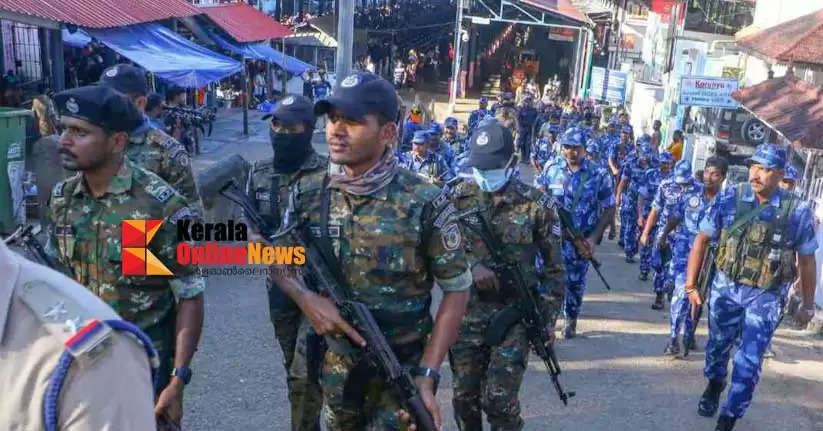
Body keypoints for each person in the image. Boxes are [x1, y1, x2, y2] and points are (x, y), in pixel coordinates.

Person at [271, 72, 472, 430]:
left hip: (400, 376)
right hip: (337, 375)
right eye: (333, 118)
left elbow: (456, 287)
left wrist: (428, 375)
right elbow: (276, 259)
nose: (336, 130)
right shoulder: (309, 192)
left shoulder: (424, 201)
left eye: (352, 121)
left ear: (388, 133)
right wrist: (305, 299)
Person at [43, 85, 205, 427]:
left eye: (79, 132)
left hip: (144, 371)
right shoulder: (63, 199)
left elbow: (190, 294)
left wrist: (178, 379)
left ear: (117, 142)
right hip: (78, 364)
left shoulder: (158, 205)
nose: (65, 141)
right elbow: (55, 279)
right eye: (64, 129)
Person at [685, 144, 818, 431]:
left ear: (780, 174)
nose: (757, 173)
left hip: (766, 295)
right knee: (718, 347)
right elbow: (702, 240)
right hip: (726, 289)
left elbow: (807, 261)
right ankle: (715, 383)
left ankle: (730, 415)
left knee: (750, 358)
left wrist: (808, 303)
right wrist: (690, 285)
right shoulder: (730, 197)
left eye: (766, 168)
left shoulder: (796, 210)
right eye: (754, 166)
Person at [447, 122, 565, 430]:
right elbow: (438, 249)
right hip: (466, 313)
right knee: (463, 399)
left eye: (491, 168)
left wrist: (548, 320)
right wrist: (471, 265)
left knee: (498, 401)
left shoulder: (537, 205)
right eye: (479, 168)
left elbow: (554, 269)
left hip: (514, 316)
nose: (484, 175)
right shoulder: (457, 197)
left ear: (511, 164)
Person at [0, 239, 157, 430]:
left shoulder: (95, 363)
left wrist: (179, 375)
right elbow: (58, 259)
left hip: (148, 333)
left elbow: (189, 291)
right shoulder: (63, 209)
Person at [247, 95, 327, 431]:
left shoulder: (327, 174)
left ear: (307, 130)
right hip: (278, 285)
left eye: (290, 127)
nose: (280, 132)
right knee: (291, 364)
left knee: (304, 372)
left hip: (318, 288)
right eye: (276, 125)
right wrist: (252, 239)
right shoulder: (260, 172)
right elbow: (248, 221)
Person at [535, 127, 616, 338]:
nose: (571, 152)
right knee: (546, 282)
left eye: (576, 148)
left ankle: (570, 319)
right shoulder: (552, 168)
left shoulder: (598, 174)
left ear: (584, 148)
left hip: (579, 240)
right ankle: (547, 323)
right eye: (567, 147)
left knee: (574, 283)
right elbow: (538, 194)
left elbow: (609, 208)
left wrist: (593, 238)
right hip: (550, 240)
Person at [99, 64, 202, 209]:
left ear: (140, 103)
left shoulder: (168, 153)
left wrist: (130, 231)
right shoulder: (94, 140)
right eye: (102, 97)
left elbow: (189, 214)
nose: (104, 105)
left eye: (113, 100)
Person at [654, 157, 726, 356]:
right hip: (683, 254)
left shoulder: (727, 202)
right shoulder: (691, 196)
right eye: (706, 172)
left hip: (709, 259)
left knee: (698, 297)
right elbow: (675, 217)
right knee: (680, 294)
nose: (709, 178)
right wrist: (663, 234)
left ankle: (689, 333)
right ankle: (673, 338)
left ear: (723, 177)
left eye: (714, 174)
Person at [637, 151, 673, 285]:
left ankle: (659, 273)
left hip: (666, 221)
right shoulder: (650, 174)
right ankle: (644, 269)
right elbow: (641, 196)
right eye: (663, 163)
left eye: (667, 163)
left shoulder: (674, 179)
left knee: (661, 248)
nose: (665, 166)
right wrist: (640, 215)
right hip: (649, 215)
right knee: (646, 243)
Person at [616, 139, 651, 263]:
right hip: (632, 199)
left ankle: (635, 247)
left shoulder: (654, 167)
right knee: (630, 226)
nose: (644, 158)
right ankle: (629, 252)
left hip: (647, 203)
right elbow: (623, 181)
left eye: (647, 156)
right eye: (643, 155)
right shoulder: (631, 163)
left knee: (642, 227)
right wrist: (618, 196)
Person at [517, 95, 538, 161]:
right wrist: (519, 128)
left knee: (528, 143)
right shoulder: (522, 110)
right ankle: (523, 158)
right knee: (522, 143)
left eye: (529, 101)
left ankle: (527, 158)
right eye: (526, 101)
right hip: (523, 128)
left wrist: (535, 130)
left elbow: (536, 120)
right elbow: (518, 119)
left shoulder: (534, 110)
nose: (528, 103)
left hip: (530, 129)